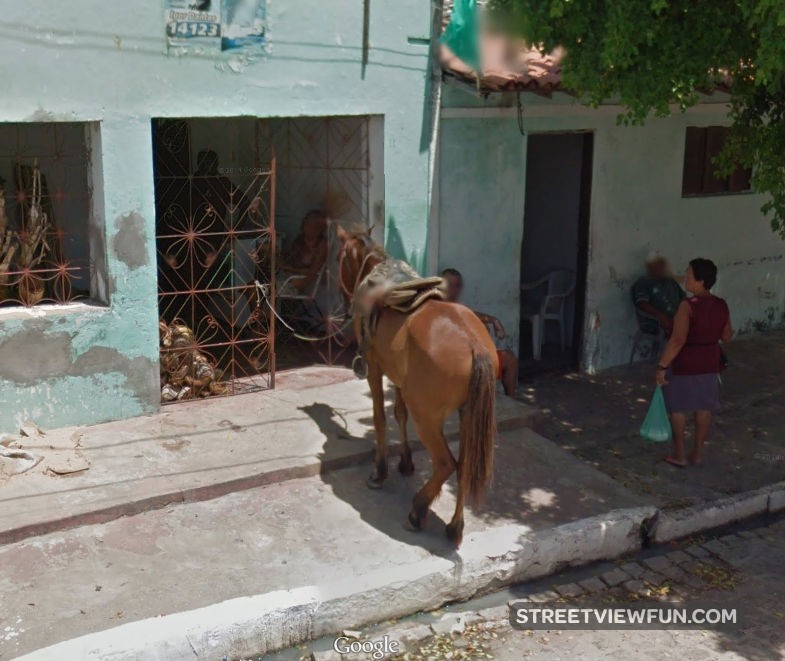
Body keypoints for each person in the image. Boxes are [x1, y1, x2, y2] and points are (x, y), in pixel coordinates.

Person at [655, 258, 733, 467]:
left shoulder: (687, 306)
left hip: (684, 364)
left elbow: (678, 340)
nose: (686, 279)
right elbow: (727, 336)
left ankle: (679, 455)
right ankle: (697, 452)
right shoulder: (721, 305)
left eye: (689, 275)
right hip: (709, 362)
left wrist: (662, 366)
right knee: (703, 408)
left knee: (678, 408)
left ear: (700, 281)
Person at [442, 268, 519, 397]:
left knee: (509, 359)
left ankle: (511, 400)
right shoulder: (440, 306)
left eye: (458, 285)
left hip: (470, 358)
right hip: (455, 363)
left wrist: (493, 320)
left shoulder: (456, 307)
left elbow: (468, 313)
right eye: (450, 285)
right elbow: (463, 314)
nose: (454, 290)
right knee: (506, 359)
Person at [632, 253, 686, 334]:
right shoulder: (644, 282)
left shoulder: (671, 282)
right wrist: (660, 316)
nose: (662, 268)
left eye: (663, 265)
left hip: (676, 320)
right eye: (658, 265)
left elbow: (684, 300)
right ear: (651, 268)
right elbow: (642, 303)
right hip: (656, 322)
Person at [277, 210, 328, 294]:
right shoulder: (300, 239)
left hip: (296, 283)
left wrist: (290, 269)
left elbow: (311, 273)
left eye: (311, 226)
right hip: (285, 275)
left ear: (319, 229)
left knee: (259, 290)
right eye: (306, 224)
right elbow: (288, 259)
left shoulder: (322, 245)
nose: (306, 228)